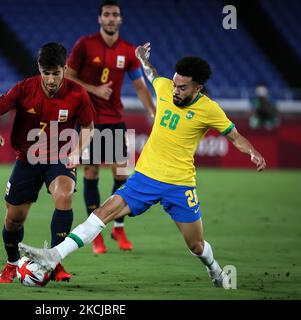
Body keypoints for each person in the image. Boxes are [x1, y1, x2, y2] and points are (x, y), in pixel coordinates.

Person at [18, 42, 267, 288]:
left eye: (182, 87)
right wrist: (143, 59)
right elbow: (153, 75)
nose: (175, 91)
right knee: (101, 214)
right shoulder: (165, 86)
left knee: (196, 245)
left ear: (198, 88)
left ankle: (214, 269)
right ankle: (54, 256)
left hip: (179, 185)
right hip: (144, 178)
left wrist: (253, 152)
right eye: (175, 83)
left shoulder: (209, 110)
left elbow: (235, 136)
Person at [0, 42, 95, 284]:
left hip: (60, 158)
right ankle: (12, 264)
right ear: (39, 69)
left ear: (65, 69)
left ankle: (54, 261)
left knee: (64, 195)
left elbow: (88, 127)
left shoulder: (77, 93)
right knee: (14, 219)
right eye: (46, 73)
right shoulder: (24, 89)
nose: (51, 79)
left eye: (56, 73)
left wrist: (77, 151)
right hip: (27, 160)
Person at [65, 0, 156, 254]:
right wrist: (94, 89)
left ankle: (117, 225)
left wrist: (152, 111)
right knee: (91, 174)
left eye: (115, 14)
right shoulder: (85, 44)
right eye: (107, 14)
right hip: (88, 120)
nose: (111, 18)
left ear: (121, 20)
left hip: (115, 117)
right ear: (100, 19)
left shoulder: (127, 51)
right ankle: (95, 234)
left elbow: (139, 85)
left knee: (123, 175)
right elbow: (67, 75)